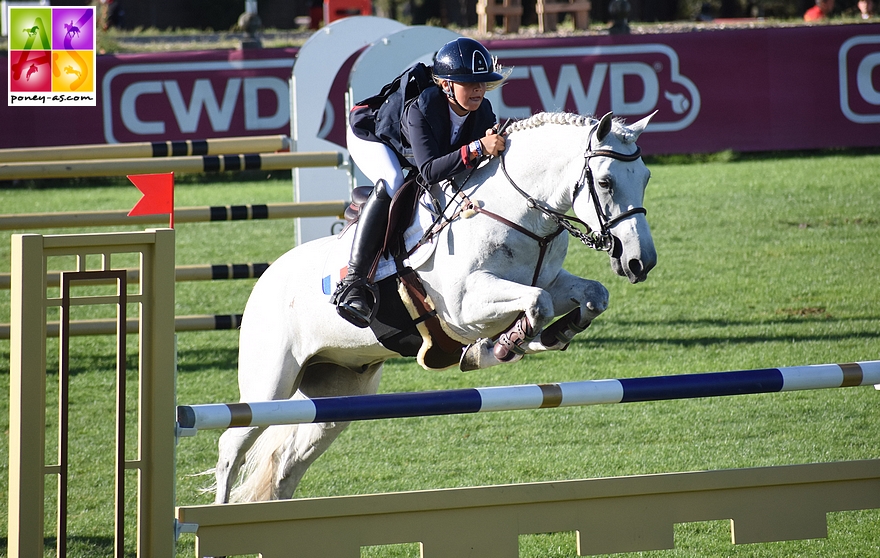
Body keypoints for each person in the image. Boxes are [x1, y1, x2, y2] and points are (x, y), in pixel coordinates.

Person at [333, 37, 509, 328]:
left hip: (414, 148)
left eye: (482, 82)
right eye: (469, 83)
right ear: (446, 85)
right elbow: (428, 170)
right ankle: (353, 283)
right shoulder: (422, 109)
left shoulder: (484, 112)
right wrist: (478, 148)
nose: (478, 89)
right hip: (369, 133)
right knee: (391, 181)